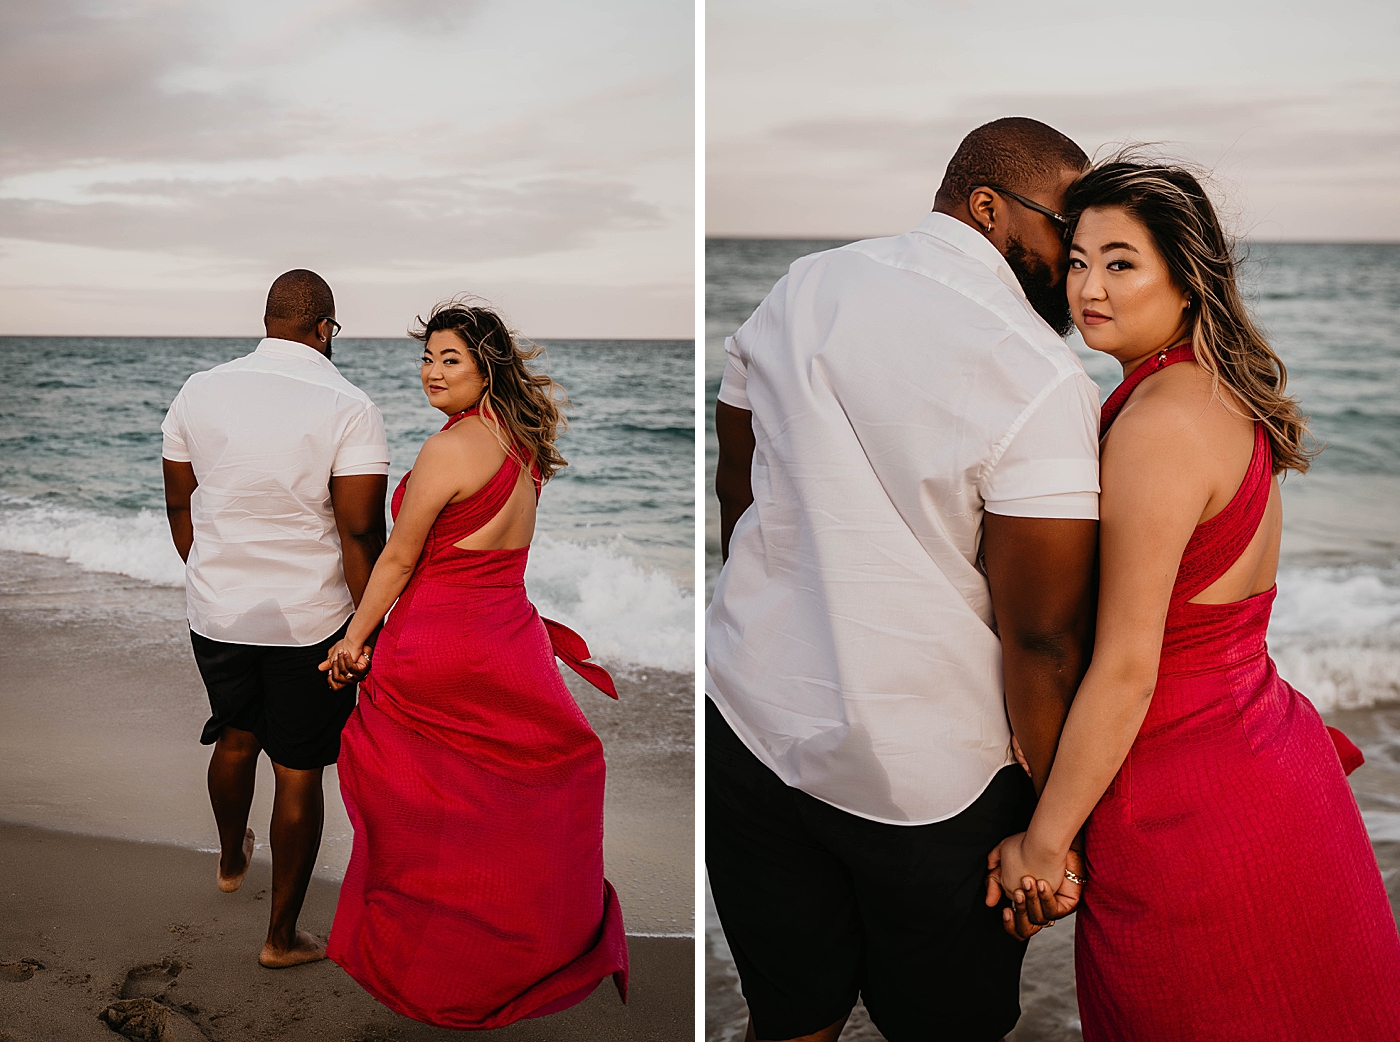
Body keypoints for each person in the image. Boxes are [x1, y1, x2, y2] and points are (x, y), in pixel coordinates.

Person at [985, 157, 1400, 1040]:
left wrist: (1045, 843)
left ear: (1188, 277)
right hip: (1269, 776)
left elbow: (1130, 667)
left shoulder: (1160, 424)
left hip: (1189, 814)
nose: (1087, 286)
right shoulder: (1215, 395)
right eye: (1078, 259)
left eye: (1121, 262)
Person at [706, 117, 1101, 1042]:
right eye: (1065, 231)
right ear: (989, 207)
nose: (1077, 266)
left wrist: (782, 605)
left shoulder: (807, 283)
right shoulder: (1038, 374)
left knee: (790, 1018)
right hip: (934, 781)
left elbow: (741, 475)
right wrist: (1055, 821)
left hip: (755, 724)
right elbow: (1042, 637)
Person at [319, 300, 627, 1030]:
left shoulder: (448, 449)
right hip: (508, 644)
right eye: (426, 358)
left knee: (413, 808)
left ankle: (427, 961)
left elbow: (398, 558)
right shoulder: (523, 444)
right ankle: (521, 948)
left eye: (449, 359)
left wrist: (353, 641)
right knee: (503, 806)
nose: (431, 372)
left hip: (438, 644)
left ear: (485, 365)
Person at [160, 269, 390, 967]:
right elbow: (358, 533)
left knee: (235, 738)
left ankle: (232, 859)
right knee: (297, 770)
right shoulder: (349, 404)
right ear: (324, 328)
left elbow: (180, 505)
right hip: (311, 618)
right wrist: (367, 630)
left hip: (218, 610)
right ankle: (280, 937)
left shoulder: (199, 389)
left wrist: (212, 578)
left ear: (268, 320)